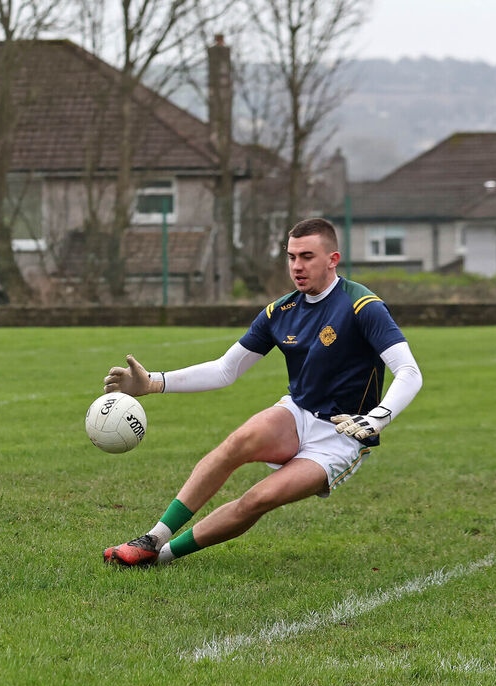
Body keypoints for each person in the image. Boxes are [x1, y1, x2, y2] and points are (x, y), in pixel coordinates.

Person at [102, 218, 423, 567]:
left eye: (307, 256)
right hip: (297, 413)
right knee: (234, 446)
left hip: (341, 436)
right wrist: (152, 382)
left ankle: (161, 557)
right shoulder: (280, 311)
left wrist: (377, 418)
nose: (297, 266)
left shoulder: (363, 306)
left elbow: (409, 372)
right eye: (291, 257)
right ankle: (153, 537)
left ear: (333, 259)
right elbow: (226, 369)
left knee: (257, 499)